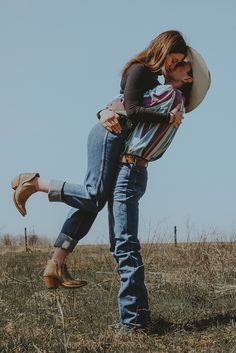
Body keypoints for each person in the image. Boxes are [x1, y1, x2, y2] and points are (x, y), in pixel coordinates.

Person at [11, 30, 189, 289]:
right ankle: (35, 183)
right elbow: (131, 110)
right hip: (108, 135)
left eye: (178, 61)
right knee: (94, 195)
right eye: (174, 59)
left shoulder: (154, 79)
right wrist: (166, 118)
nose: (173, 65)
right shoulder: (141, 70)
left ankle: (56, 264)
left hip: (115, 135)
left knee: (94, 199)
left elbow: (117, 103)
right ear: (163, 49)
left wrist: (105, 110)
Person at [107, 61, 193, 331]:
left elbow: (127, 107)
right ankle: (137, 318)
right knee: (124, 244)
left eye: (183, 66)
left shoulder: (170, 94)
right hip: (137, 169)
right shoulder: (177, 103)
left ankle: (133, 324)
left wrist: (102, 111)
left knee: (125, 245)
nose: (176, 66)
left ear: (187, 78)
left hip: (130, 168)